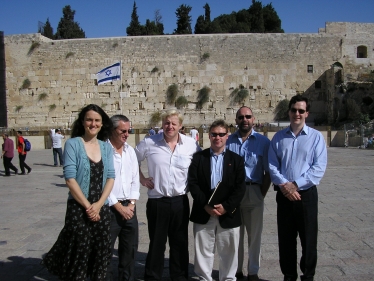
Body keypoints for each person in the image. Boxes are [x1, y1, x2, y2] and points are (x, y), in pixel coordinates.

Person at [42, 104, 115, 281]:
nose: (93, 123)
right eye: (89, 119)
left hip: (101, 209)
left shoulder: (106, 147)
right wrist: (89, 207)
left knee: (101, 253)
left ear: (102, 123)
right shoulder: (73, 144)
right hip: (79, 208)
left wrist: (98, 205)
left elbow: (111, 178)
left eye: (97, 120)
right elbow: (70, 178)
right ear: (82, 122)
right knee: (79, 253)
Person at [135, 109, 200, 281]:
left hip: (180, 201)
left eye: (173, 123)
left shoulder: (191, 145)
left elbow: (201, 164)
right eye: (166, 123)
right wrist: (142, 178)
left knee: (179, 242)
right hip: (157, 201)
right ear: (162, 124)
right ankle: (152, 276)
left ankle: (179, 276)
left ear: (180, 125)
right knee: (157, 243)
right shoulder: (150, 142)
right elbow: (133, 158)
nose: (169, 126)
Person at [268, 95, 327, 281]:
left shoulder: (316, 137)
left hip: (306, 195)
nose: (297, 114)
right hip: (284, 195)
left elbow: (318, 167)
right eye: (294, 110)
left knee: (308, 239)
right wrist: (286, 185)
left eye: (301, 111)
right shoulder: (278, 137)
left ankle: (308, 275)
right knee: (285, 240)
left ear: (307, 113)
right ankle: (289, 275)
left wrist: (296, 185)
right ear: (289, 111)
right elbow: (272, 165)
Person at [188, 119, 246, 281]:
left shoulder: (236, 160)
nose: (217, 138)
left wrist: (226, 207)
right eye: (214, 134)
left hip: (228, 213)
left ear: (227, 136)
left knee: (229, 251)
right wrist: (206, 205)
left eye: (221, 134)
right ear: (209, 135)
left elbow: (240, 188)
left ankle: (228, 278)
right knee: (203, 249)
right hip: (203, 211)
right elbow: (193, 184)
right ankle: (204, 278)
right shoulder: (199, 158)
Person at [226, 106, 271, 281]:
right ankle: (236, 271)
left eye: (248, 116)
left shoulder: (263, 142)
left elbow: (268, 172)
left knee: (254, 236)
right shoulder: (228, 141)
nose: (245, 119)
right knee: (234, 235)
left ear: (253, 119)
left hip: (254, 190)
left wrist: (260, 194)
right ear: (236, 120)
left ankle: (253, 272)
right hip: (234, 193)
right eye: (241, 117)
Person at [107, 115, 140, 281]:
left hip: (130, 208)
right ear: (112, 130)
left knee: (129, 251)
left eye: (129, 130)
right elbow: (101, 182)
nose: (127, 134)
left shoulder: (130, 151)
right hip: (110, 209)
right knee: (105, 251)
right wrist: (119, 207)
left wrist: (132, 204)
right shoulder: (103, 151)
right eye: (123, 131)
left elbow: (135, 179)